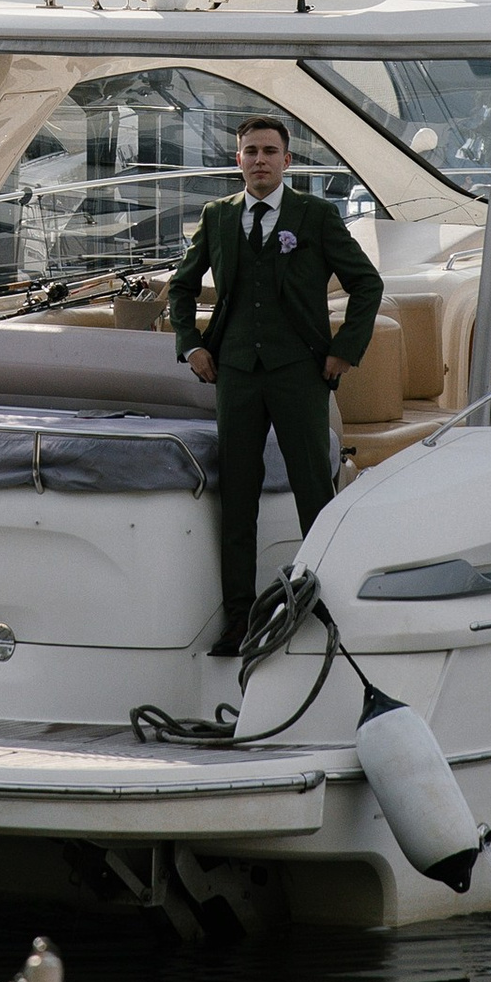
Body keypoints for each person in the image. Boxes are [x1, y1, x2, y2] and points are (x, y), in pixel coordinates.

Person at [166, 109, 384, 659]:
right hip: (235, 373)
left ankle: (319, 608)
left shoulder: (314, 215)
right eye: (250, 152)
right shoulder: (218, 217)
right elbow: (181, 288)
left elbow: (366, 283)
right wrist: (191, 344)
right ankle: (238, 622)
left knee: (316, 491)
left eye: (269, 152)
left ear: (287, 161)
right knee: (237, 499)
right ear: (237, 160)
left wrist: (343, 352)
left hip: (299, 373)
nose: (259, 160)